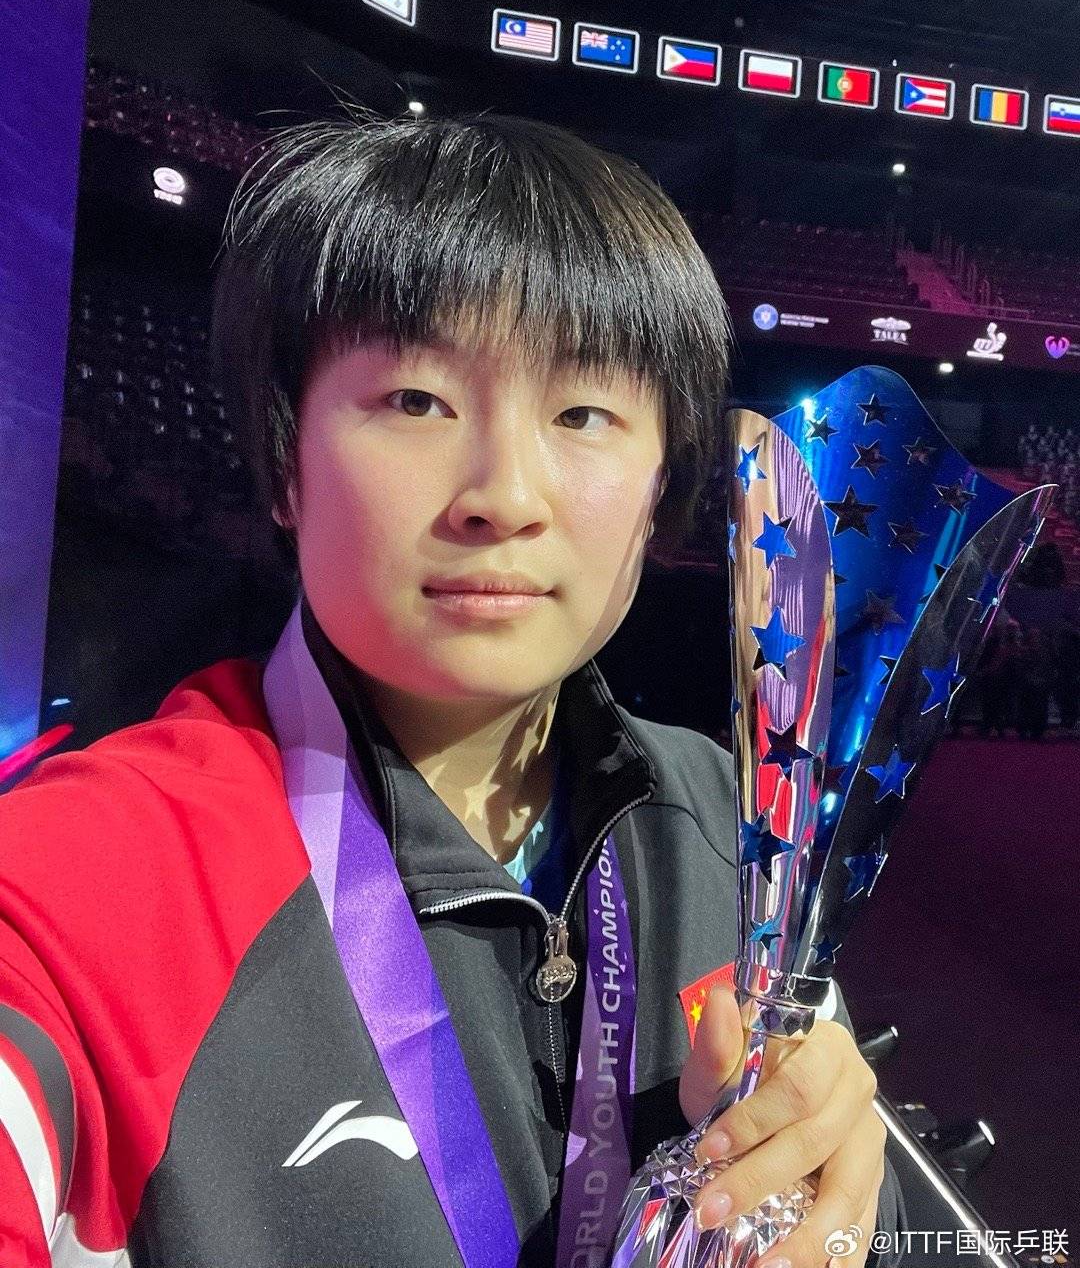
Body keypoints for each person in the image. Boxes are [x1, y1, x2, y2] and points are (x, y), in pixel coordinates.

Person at [0, 113, 904, 1267]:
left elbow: (846, 1204)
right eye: (417, 401)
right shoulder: (83, 877)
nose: (504, 496)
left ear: (660, 487)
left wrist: (835, 1176)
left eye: (582, 413)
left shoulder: (731, 819)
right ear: (284, 461)